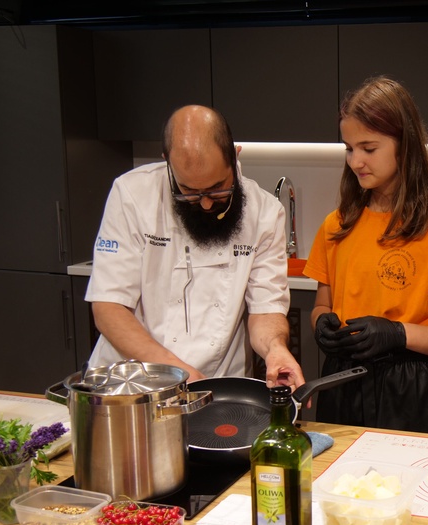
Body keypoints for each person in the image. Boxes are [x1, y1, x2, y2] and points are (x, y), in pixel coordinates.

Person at [86, 105, 304, 389]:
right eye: (188, 191)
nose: (206, 204)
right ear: (167, 162)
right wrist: (177, 372)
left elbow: (266, 309)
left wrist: (275, 348)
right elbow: (109, 307)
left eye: (217, 188)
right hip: (133, 383)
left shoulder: (264, 213)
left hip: (217, 383)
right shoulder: (132, 195)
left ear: (235, 155)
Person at [303, 76, 428, 434]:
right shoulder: (336, 225)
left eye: (369, 148)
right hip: (340, 382)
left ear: (405, 145)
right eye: (349, 148)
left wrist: (398, 334)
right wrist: (321, 323)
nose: (356, 161)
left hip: (409, 389)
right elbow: (323, 303)